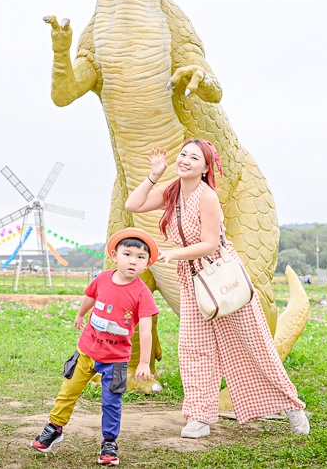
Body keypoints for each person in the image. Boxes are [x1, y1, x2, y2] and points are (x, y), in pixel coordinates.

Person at [125, 139, 309, 439]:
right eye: (183, 154)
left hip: (223, 276)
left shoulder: (207, 196)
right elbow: (133, 204)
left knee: (254, 344)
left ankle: (291, 405)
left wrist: (173, 254)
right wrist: (154, 174)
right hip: (191, 280)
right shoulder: (171, 192)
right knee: (194, 348)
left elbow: (210, 244)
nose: (185, 160)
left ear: (205, 167)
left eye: (194, 158)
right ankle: (199, 417)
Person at [32, 228, 160, 466]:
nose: (133, 261)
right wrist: (81, 314)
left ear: (147, 264)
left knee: (111, 402)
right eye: (127, 254)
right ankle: (55, 428)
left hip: (116, 360)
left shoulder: (142, 293)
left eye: (140, 257)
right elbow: (90, 297)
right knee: (68, 391)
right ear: (114, 256)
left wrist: (144, 362)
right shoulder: (102, 278)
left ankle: (109, 442)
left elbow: (145, 329)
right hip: (86, 351)